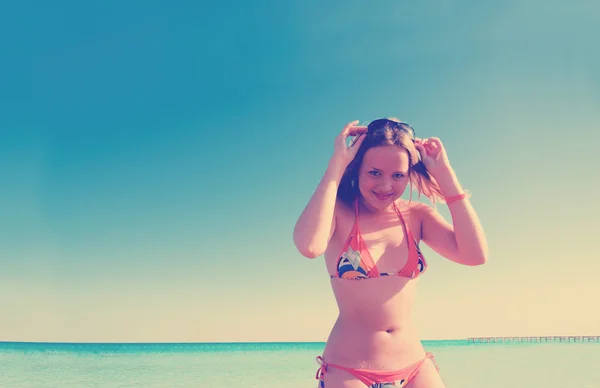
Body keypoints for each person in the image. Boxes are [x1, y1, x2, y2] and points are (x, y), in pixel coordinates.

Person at [293, 118, 488, 388]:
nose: (386, 186)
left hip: (415, 367)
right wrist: (335, 166)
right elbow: (309, 246)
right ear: (356, 168)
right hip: (349, 371)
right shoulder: (339, 212)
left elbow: (475, 255)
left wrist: (445, 175)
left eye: (398, 175)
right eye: (374, 173)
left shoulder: (417, 216)